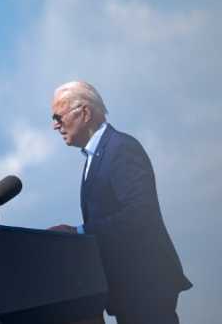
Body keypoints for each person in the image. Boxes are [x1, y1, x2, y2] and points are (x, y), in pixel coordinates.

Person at [48, 81, 192, 324]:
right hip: (127, 292)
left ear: (84, 113)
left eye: (58, 117)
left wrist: (79, 232)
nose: (55, 125)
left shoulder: (121, 148)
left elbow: (140, 215)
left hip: (147, 287)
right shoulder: (94, 158)